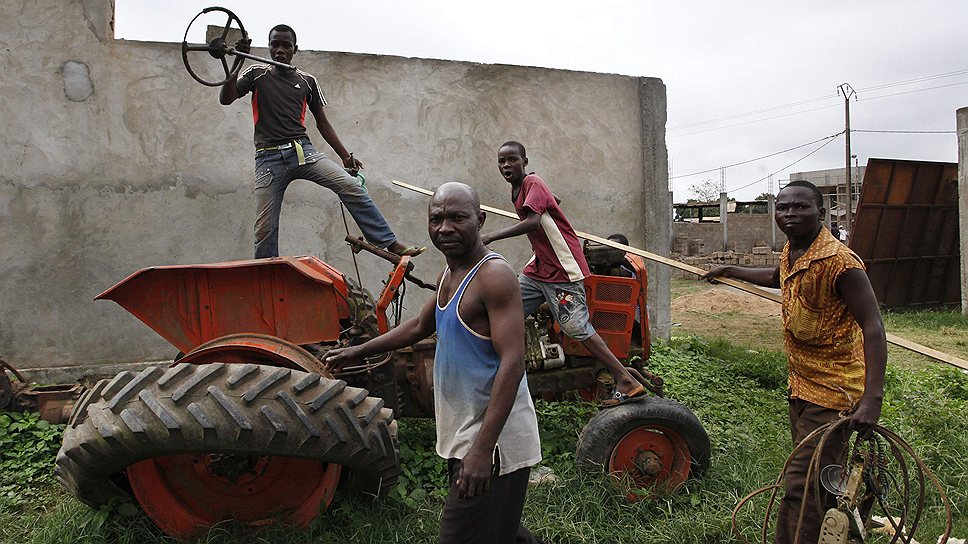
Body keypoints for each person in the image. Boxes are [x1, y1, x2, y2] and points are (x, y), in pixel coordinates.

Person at [326, 182, 543, 544]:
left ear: (480, 220)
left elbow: (513, 363)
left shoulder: (494, 276)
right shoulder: (450, 273)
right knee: (500, 529)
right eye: (437, 219)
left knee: (460, 535)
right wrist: (354, 352)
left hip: (495, 441)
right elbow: (420, 325)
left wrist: (481, 452)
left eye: (458, 217)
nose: (445, 228)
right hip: (466, 434)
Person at [703, 179, 886, 544]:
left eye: (799, 207)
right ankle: (838, 533)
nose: (789, 214)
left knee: (800, 485)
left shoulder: (840, 263)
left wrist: (872, 399)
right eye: (782, 207)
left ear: (820, 212)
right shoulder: (793, 251)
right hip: (801, 385)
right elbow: (778, 276)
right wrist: (730, 271)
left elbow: (874, 327)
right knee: (822, 478)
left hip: (834, 392)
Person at [219, 25, 424, 259]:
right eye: (275, 44)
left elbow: (323, 124)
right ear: (268, 47)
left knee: (351, 186)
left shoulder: (307, 81)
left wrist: (345, 156)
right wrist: (235, 61)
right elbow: (226, 98)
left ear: (295, 49)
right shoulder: (256, 73)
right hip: (268, 160)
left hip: (303, 152)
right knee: (264, 228)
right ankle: (267, 273)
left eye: (286, 45)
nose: (280, 50)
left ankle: (389, 242)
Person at [480, 141, 644, 406]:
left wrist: (489, 236)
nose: (507, 166)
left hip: (561, 270)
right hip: (539, 268)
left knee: (576, 327)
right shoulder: (519, 189)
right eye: (502, 161)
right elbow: (552, 202)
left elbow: (532, 221)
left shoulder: (533, 183)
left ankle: (625, 379)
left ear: (525, 161)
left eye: (513, 160)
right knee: (507, 307)